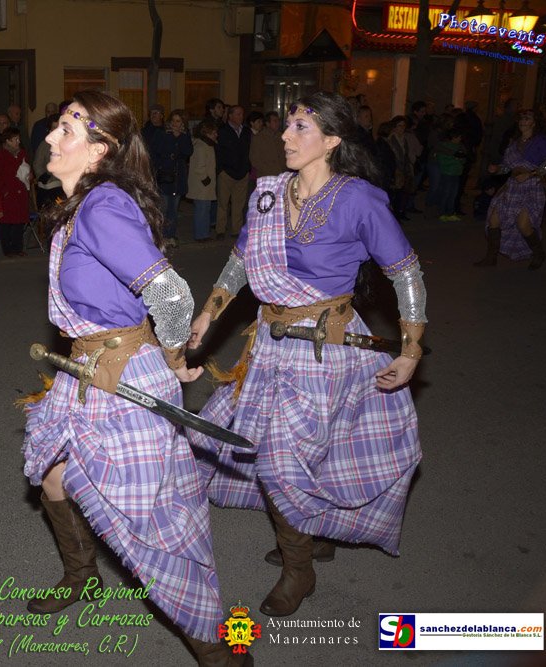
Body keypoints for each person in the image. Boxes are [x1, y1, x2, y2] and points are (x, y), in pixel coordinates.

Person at [21, 90, 243, 666]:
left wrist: (171, 357)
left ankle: (218, 649)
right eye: (56, 126)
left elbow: (170, 293)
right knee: (53, 476)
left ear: (100, 150)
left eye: (66, 129)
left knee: (152, 528)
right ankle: (82, 575)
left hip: (123, 378)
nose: (51, 138)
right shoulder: (82, 206)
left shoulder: (101, 207)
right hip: (86, 369)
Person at [188, 92, 425, 620]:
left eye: (300, 127)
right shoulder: (268, 194)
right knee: (285, 454)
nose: (285, 136)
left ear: (333, 140)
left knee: (281, 461)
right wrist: (209, 313)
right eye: (287, 125)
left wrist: (412, 350)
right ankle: (310, 537)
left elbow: (406, 272)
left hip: (325, 351)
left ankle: (300, 569)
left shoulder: (358, 199)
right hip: (269, 345)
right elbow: (241, 259)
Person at [476, 109, 546, 270]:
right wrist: (497, 169)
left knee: (523, 224)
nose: (523, 121)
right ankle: (491, 257)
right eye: (521, 119)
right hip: (511, 187)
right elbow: (507, 167)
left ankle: (539, 253)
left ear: (535, 123)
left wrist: (531, 174)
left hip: (531, 187)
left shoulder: (541, 140)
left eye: (527, 119)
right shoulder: (514, 143)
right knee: (494, 220)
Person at [149, 109, 192, 247]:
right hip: (164, 177)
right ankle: (160, 236)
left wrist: (180, 137)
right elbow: (154, 152)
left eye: (178, 121)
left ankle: (171, 235)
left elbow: (188, 152)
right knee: (164, 207)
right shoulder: (161, 134)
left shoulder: (185, 136)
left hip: (178, 178)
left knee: (173, 209)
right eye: (173, 121)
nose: (175, 124)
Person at [0, 127, 31, 257]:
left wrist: (30, 175)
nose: (18, 142)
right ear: (7, 141)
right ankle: (7, 249)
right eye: (15, 139)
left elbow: (27, 170)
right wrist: (4, 191)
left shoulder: (22, 153)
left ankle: (18, 248)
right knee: (7, 222)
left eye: (18, 139)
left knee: (19, 222)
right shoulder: (0, 155)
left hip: (20, 191)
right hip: (8, 192)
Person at [216, 104, 252, 237]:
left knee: (239, 204)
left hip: (242, 172)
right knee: (223, 203)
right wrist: (221, 170)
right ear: (230, 116)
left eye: (242, 114)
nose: (241, 117)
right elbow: (217, 151)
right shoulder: (222, 131)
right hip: (226, 173)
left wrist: (247, 168)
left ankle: (236, 230)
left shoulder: (246, 131)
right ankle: (220, 229)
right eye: (238, 114)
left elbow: (250, 150)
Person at [187, 119, 218, 243]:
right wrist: (206, 180)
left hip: (204, 185)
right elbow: (199, 167)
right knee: (202, 210)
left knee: (205, 209)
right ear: (207, 133)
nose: (216, 135)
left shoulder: (207, 145)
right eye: (214, 132)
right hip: (202, 185)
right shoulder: (201, 146)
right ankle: (201, 235)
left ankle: (204, 233)